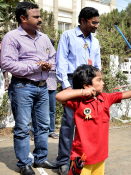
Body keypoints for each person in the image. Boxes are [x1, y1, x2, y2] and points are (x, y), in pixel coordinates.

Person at [55, 64, 131, 175]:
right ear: (86, 85)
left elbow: (122, 94)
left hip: (100, 156)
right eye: (99, 80)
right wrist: (82, 92)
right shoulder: (79, 101)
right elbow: (59, 96)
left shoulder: (105, 98)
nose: (103, 83)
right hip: (82, 157)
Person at [0, 2, 57, 175]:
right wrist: (35, 67)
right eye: (36, 17)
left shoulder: (44, 38)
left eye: (39, 16)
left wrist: (49, 65)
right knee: (23, 127)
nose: (40, 19)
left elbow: (54, 57)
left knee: (43, 125)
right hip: (22, 87)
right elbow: (7, 63)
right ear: (23, 18)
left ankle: (40, 159)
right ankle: (24, 163)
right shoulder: (11, 37)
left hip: (42, 87)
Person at [56, 7, 101, 175]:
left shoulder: (95, 41)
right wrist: (66, 86)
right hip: (72, 84)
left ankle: (82, 159)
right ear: (83, 21)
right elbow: (61, 60)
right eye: (93, 22)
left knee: (87, 123)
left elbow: (97, 65)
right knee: (69, 123)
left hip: (90, 87)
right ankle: (63, 161)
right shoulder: (67, 36)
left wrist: (96, 86)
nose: (96, 26)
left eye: (97, 23)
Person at [31, 38, 58, 141]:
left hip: (52, 86)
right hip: (40, 85)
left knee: (51, 110)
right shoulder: (37, 55)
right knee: (36, 110)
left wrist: (48, 66)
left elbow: (58, 66)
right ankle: (35, 131)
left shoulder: (54, 57)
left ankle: (51, 130)